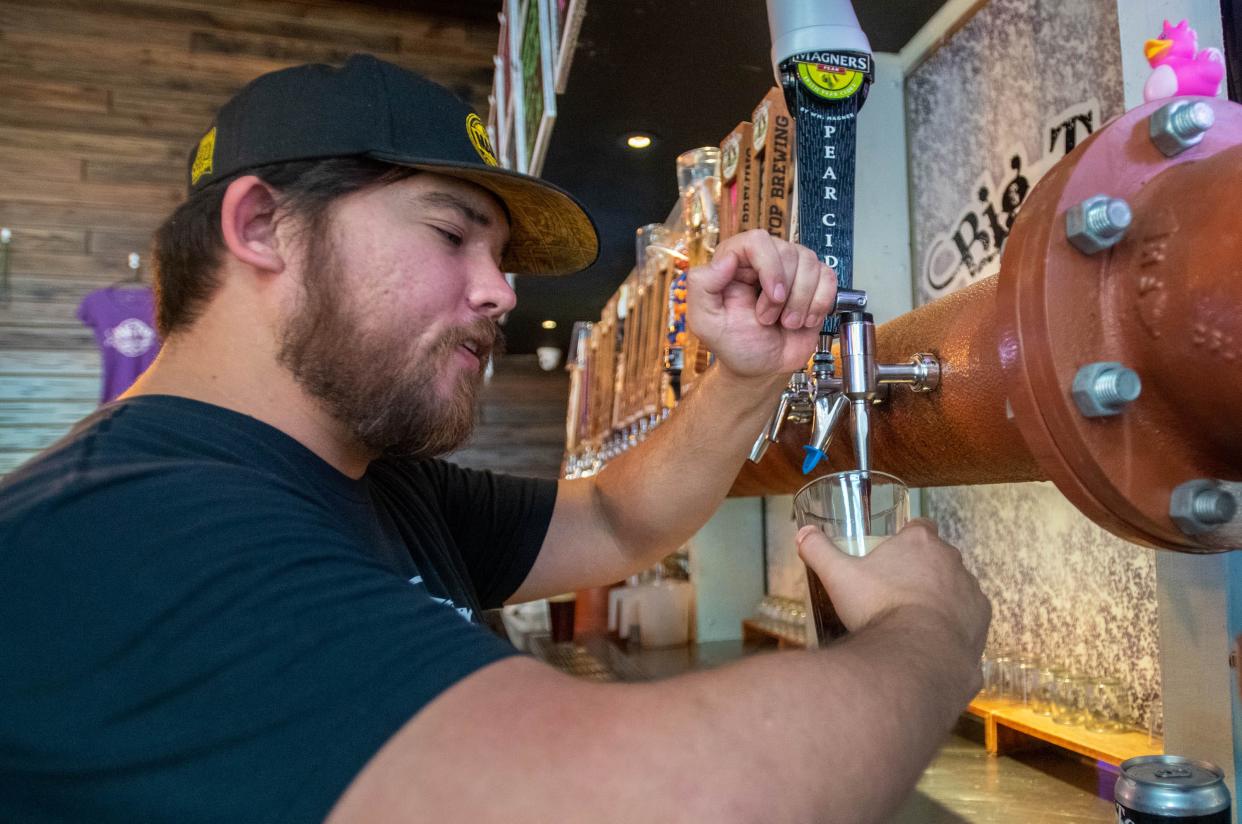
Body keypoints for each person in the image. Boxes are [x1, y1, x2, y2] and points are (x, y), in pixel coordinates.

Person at [0, 54, 990, 823]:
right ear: (263, 225)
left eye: (502, 256)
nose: (501, 292)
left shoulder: (374, 482)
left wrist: (747, 372)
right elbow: (660, 805)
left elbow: (613, 518)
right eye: (451, 233)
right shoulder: (117, 527)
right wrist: (929, 637)